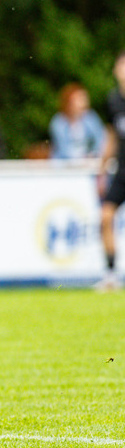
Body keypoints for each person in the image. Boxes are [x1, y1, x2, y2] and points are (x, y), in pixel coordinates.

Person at [96, 51, 125, 290]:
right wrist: (103, 166)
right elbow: (112, 137)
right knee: (105, 218)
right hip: (122, 172)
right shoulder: (113, 100)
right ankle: (110, 275)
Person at [49, 83, 105, 160]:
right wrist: (81, 157)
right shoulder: (59, 122)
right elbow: (63, 149)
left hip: (88, 161)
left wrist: (94, 154)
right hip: (64, 163)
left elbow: (101, 139)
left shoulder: (90, 117)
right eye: (79, 99)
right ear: (69, 101)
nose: (84, 102)